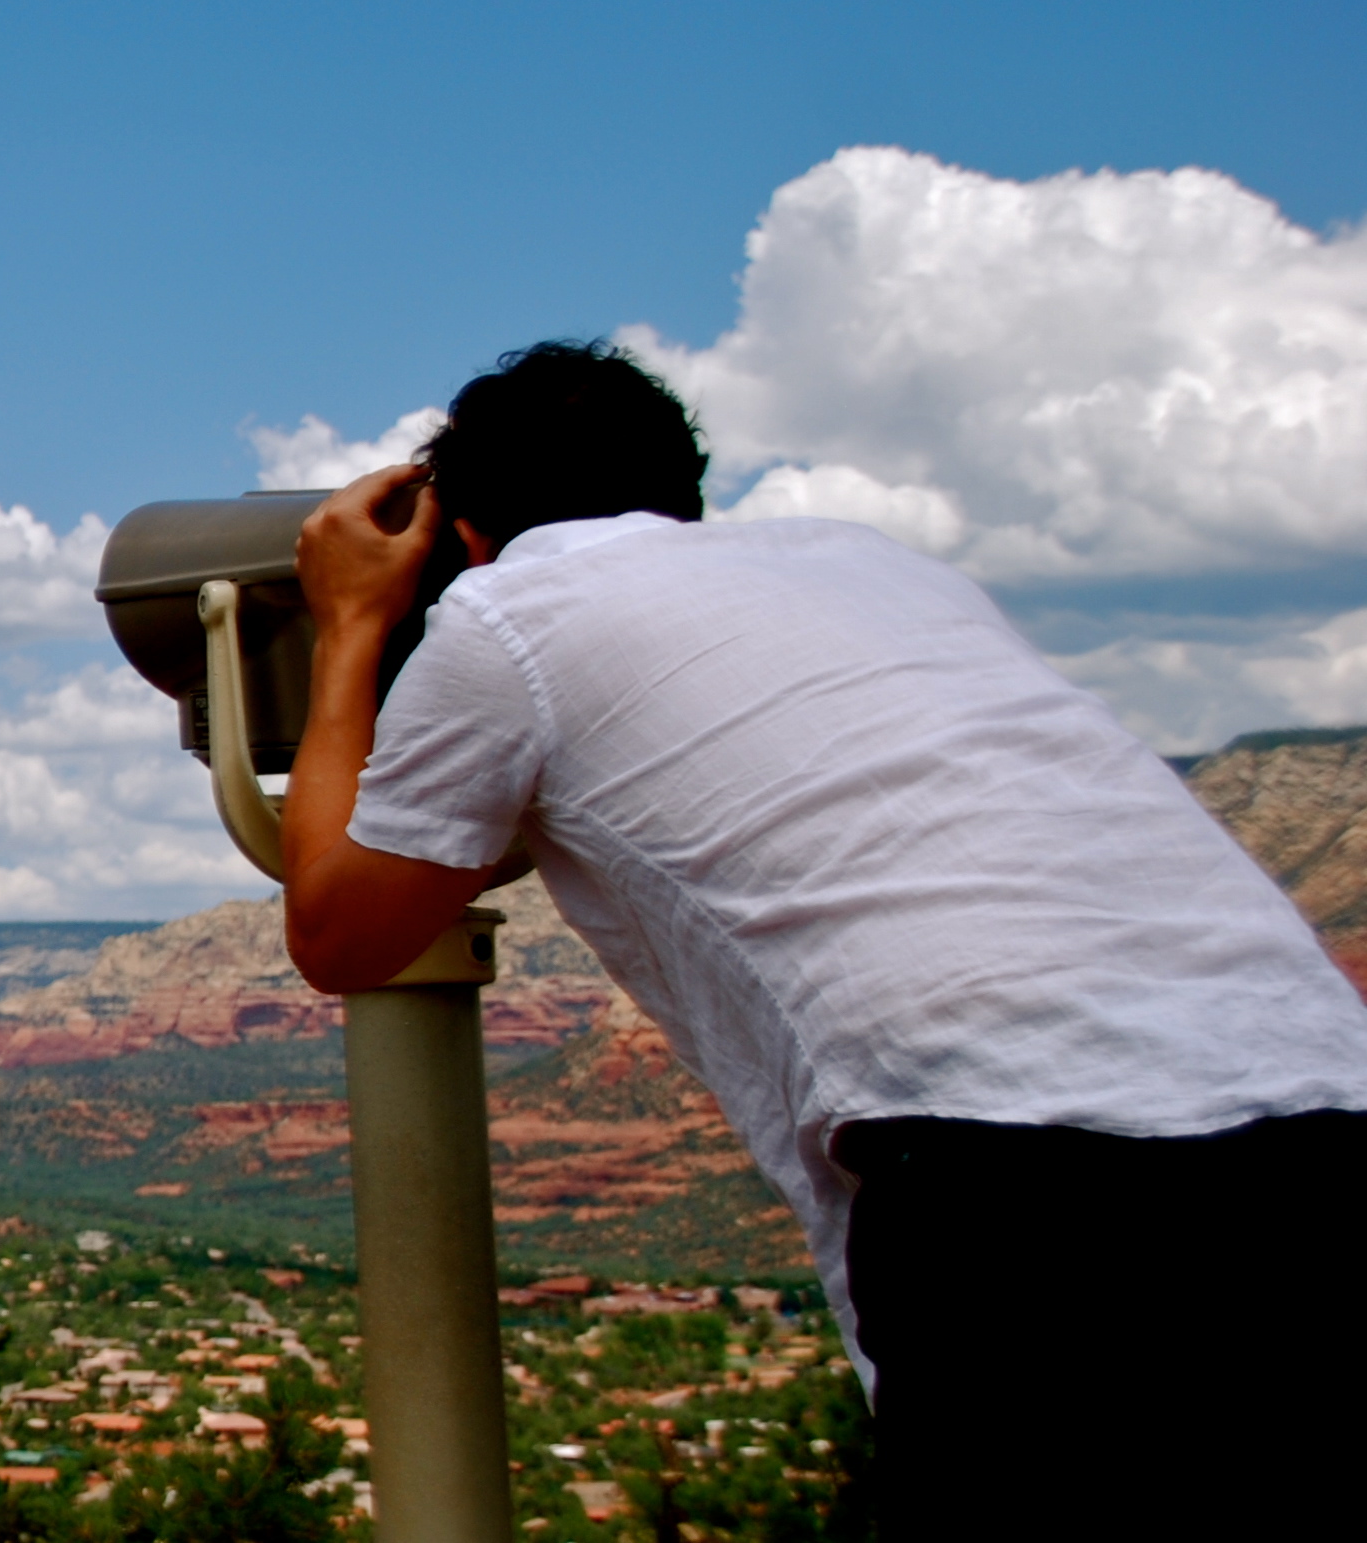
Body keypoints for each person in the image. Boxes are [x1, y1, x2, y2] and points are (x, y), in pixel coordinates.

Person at [277, 339, 1367, 1539]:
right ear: (680, 492)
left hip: (1022, 1177)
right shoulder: (875, 562)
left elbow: (338, 933)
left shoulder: (505, 614)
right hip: (1321, 1111)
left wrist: (350, 625)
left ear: (463, 535)